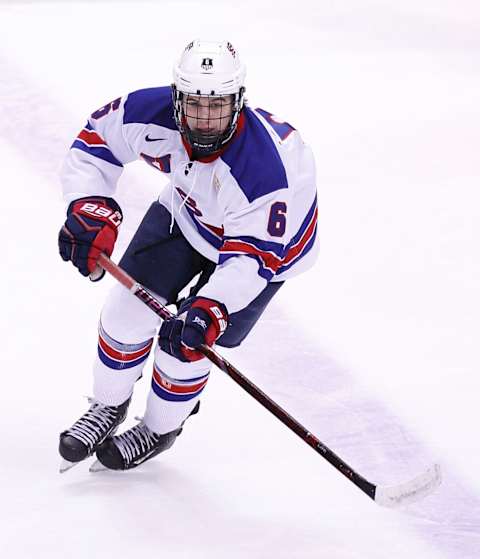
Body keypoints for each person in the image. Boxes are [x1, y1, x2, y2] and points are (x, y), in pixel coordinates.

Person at [58, 39, 319, 472]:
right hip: (191, 213)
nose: (205, 118)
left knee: (186, 345)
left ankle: (160, 428)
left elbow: (251, 260)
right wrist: (87, 204)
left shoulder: (264, 171)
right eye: (195, 104)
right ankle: (108, 405)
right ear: (176, 97)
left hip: (267, 253)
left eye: (217, 106)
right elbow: (94, 144)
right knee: (125, 313)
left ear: (239, 101)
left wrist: (210, 308)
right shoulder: (149, 113)